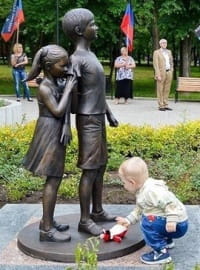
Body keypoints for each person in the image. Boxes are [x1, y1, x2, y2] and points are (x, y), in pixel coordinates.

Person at [62, 8, 118, 236]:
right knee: (89, 169)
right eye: (92, 24)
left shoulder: (91, 56)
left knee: (101, 165)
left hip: (98, 117)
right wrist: (66, 124)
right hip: (87, 121)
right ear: (79, 30)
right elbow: (68, 94)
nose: (96, 27)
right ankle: (84, 220)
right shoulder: (76, 59)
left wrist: (108, 112)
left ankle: (97, 210)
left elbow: (96, 91)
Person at [23, 44, 76, 242]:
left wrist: (67, 125)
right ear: (48, 65)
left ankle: (48, 220)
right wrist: (69, 89)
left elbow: (65, 110)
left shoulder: (54, 82)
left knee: (56, 178)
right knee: (52, 179)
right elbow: (58, 110)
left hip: (55, 129)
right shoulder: (45, 87)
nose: (66, 70)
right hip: (48, 132)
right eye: (62, 66)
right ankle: (46, 230)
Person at [116, 157, 188, 265]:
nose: (124, 186)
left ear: (132, 182)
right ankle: (166, 241)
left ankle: (160, 252)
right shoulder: (144, 189)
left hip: (177, 224)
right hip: (174, 224)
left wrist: (172, 220)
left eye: (124, 183)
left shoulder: (152, 191)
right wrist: (128, 220)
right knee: (150, 215)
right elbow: (139, 209)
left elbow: (170, 203)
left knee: (147, 222)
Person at [153, 39, 173, 111]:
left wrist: (171, 70)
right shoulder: (156, 52)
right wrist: (158, 74)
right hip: (161, 73)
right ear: (160, 44)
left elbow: (171, 62)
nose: (165, 44)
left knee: (167, 89)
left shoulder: (169, 52)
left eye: (166, 43)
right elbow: (156, 65)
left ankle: (165, 104)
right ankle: (161, 105)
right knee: (160, 89)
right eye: (163, 43)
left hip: (169, 72)